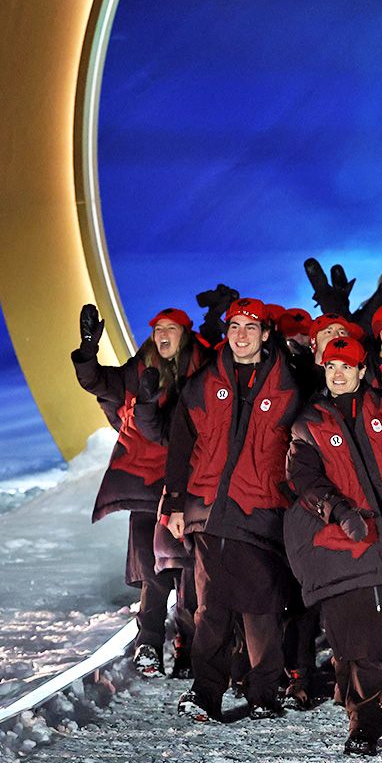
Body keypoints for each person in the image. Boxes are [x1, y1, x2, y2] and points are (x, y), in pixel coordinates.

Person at [284, 337, 382, 756]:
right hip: (347, 546)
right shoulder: (308, 424)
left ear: (363, 371)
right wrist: (337, 509)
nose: (339, 373)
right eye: (331, 367)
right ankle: (364, 720)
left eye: (347, 366)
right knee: (358, 637)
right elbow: (304, 480)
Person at [164, 297, 301, 722]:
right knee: (213, 608)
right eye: (234, 326)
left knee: (261, 608)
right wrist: (173, 504)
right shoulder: (204, 383)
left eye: (250, 327)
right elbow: (181, 445)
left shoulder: (290, 385)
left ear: (265, 334)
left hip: (262, 511)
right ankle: (206, 693)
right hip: (209, 509)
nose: (240, 335)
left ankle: (264, 692)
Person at [73, 304, 207, 678]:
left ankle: (187, 647)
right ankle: (148, 643)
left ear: (185, 333)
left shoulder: (203, 369)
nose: (163, 335)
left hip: (190, 486)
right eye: (158, 328)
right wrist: (87, 350)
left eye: (171, 329)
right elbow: (96, 381)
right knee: (153, 571)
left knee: (188, 571)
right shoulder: (140, 368)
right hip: (147, 485)